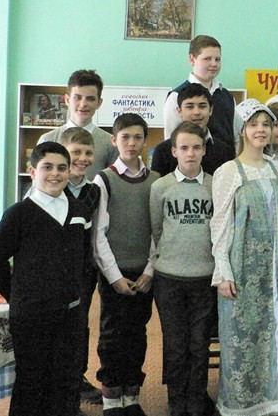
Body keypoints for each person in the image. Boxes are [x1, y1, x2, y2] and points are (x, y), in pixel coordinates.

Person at [0, 142, 89, 416]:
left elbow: (85, 258)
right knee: (32, 381)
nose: (55, 174)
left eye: (62, 168)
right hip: (31, 315)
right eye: (47, 167)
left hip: (70, 314)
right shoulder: (18, 214)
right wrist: (18, 295)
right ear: (32, 172)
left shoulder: (79, 210)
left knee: (66, 379)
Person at [210, 99, 278, 416]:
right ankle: (243, 406)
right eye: (254, 124)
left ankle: (276, 402)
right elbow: (220, 223)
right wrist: (224, 271)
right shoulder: (229, 172)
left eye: (266, 124)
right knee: (244, 338)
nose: (261, 130)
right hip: (243, 270)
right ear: (242, 130)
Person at [92, 113, 160, 416]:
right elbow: (99, 233)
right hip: (114, 274)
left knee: (137, 334)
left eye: (137, 137)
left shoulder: (155, 180)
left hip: (143, 274)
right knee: (112, 335)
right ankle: (111, 398)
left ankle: (131, 396)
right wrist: (114, 276)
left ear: (145, 140)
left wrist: (149, 271)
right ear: (114, 140)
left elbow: (158, 230)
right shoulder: (104, 179)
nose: (131, 143)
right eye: (125, 137)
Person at [149, 122, 215, 416]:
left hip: (205, 277)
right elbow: (156, 229)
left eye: (196, 148)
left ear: (204, 151)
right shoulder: (160, 187)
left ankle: (196, 402)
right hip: (169, 279)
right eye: (184, 148)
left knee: (199, 345)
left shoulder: (215, 185)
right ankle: (176, 402)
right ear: (174, 151)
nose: (190, 153)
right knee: (176, 346)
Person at [58, 127, 104, 407]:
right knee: (56, 327)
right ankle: (57, 385)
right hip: (54, 273)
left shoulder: (94, 192)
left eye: (88, 153)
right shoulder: (52, 186)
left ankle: (77, 379)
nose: (83, 158)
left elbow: (96, 232)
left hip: (83, 272)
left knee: (79, 326)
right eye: (76, 152)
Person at [163, 34, 243, 150]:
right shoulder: (176, 96)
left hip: (225, 159)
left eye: (217, 59)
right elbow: (170, 140)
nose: (214, 64)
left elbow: (237, 136)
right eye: (207, 59)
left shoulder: (227, 96)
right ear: (192, 59)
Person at [37, 69, 119, 181]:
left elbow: (112, 183)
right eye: (77, 97)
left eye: (90, 99)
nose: (83, 104)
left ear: (99, 103)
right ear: (67, 100)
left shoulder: (110, 144)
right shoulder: (47, 140)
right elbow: (38, 184)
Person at [152, 83, 235, 177]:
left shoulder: (225, 151)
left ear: (211, 110)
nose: (197, 112)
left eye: (202, 106)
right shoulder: (163, 151)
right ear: (179, 111)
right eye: (190, 107)